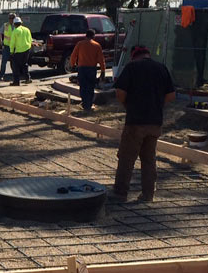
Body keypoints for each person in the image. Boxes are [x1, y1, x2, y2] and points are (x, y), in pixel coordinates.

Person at [111, 46, 176, 203]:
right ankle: (148, 194)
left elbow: (120, 93)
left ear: (133, 56)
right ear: (148, 54)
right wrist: (157, 105)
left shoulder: (131, 67)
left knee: (126, 158)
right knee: (148, 159)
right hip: (155, 122)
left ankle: (120, 194)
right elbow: (171, 95)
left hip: (135, 121)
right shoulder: (161, 68)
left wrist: (128, 105)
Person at [69, 29, 106, 114]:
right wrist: (103, 71)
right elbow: (101, 60)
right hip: (92, 69)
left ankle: (85, 104)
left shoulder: (80, 44)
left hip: (82, 69)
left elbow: (73, 55)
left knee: (83, 87)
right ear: (93, 36)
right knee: (90, 87)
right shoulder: (97, 45)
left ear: (86, 35)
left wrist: (72, 65)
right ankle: (88, 104)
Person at [8, 17, 33, 86]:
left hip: (19, 51)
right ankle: (28, 78)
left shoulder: (15, 31)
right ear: (21, 23)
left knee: (15, 66)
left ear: (14, 24)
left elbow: (12, 43)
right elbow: (30, 39)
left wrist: (11, 51)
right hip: (27, 50)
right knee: (24, 64)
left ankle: (16, 82)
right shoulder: (27, 29)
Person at [0, 13, 16, 81]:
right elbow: (0, 32)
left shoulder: (16, 26)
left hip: (14, 47)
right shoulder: (5, 25)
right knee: (4, 62)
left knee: (14, 62)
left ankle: (15, 76)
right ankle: (1, 75)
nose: (11, 19)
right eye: (10, 18)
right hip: (7, 46)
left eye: (12, 18)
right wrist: (0, 41)